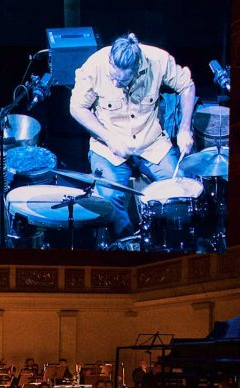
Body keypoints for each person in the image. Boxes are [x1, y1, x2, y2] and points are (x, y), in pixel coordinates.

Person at [69, 33, 196, 241]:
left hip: (151, 143)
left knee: (180, 189)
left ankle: (163, 239)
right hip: (109, 146)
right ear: (110, 60)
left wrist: (184, 128)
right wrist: (109, 138)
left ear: (137, 69)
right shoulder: (95, 65)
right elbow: (76, 107)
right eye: (112, 77)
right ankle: (129, 242)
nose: (115, 83)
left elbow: (187, 86)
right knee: (108, 198)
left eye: (122, 80)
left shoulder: (158, 60)